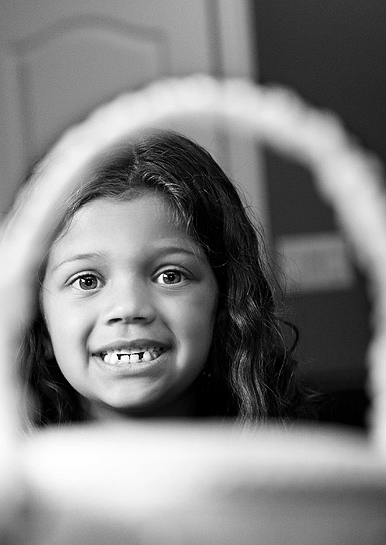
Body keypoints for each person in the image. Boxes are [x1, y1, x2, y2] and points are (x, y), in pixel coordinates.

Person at [24, 130, 310, 425]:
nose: (128, 308)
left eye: (170, 276)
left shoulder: (292, 465)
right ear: (40, 323)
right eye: (87, 281)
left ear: (224, 303)